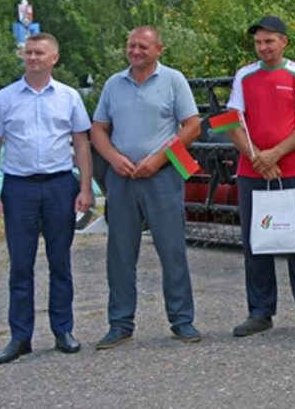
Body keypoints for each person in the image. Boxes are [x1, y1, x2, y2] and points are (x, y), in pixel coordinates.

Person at [0, 33, 93, 364]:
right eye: (28, 52)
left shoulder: (69, 97)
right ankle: (20, 336)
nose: (32, 58)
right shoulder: (4, 98)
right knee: (20, 265)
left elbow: (82, 145)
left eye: (39, 52)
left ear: (54, 58)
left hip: (59, 185)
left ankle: (63, 331)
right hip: (19, 189)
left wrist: (85, 188)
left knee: (61, 262)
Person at [92, 26, 201, 349]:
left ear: (159, 50)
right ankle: (120, 324)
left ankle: (182, 320)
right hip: (122, 178)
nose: (135, 51)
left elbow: (192, 126)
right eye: (131, 45)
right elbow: (98, 128)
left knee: (172, 251)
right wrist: (112, 158)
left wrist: (159, 159)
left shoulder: (173, 80)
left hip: (162, 176)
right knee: (120, 255)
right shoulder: (114, 83)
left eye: (143, 46)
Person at [226, 16, 295, 337]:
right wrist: (257, 157)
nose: (263, 47)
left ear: (284, 41)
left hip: (291, 169)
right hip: (251, 171)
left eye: (269, 41)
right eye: (258, 42)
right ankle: (260, 311)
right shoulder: (244, 76)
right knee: (257, 241)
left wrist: (275, 154)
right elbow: (232, 122)